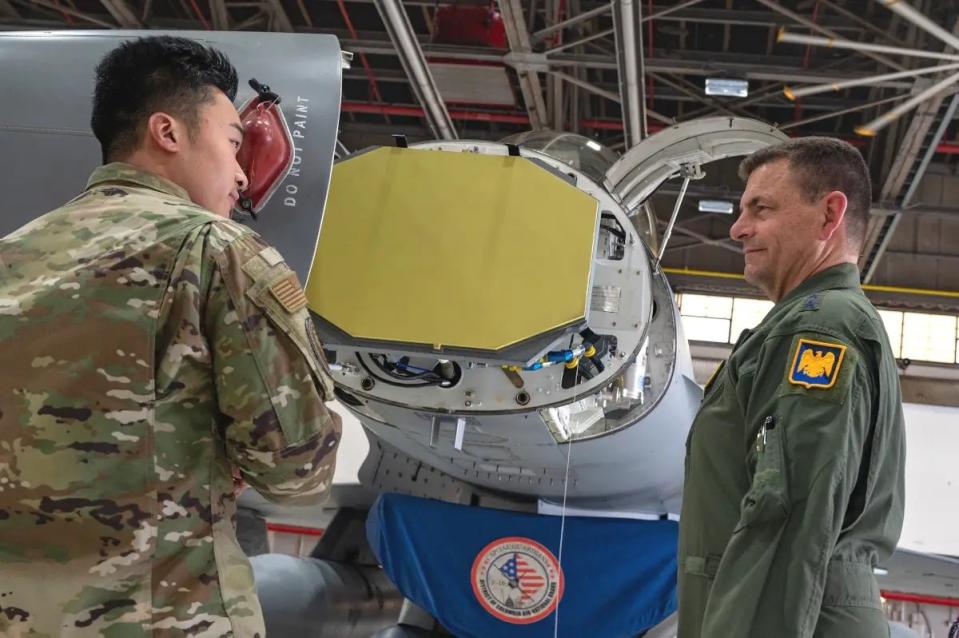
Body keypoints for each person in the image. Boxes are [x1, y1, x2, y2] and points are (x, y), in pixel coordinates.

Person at [0, 36, 342, 636]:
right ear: (168, 132)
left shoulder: (12, 257)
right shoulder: (216, 250)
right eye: (234, 143)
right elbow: (298, 471)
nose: (241, 173)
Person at [677, 137, 905, 637]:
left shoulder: (817, 329)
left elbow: (787, 521)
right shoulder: (818, 322)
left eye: (761, 208)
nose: (738, 228)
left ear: (829, 215)